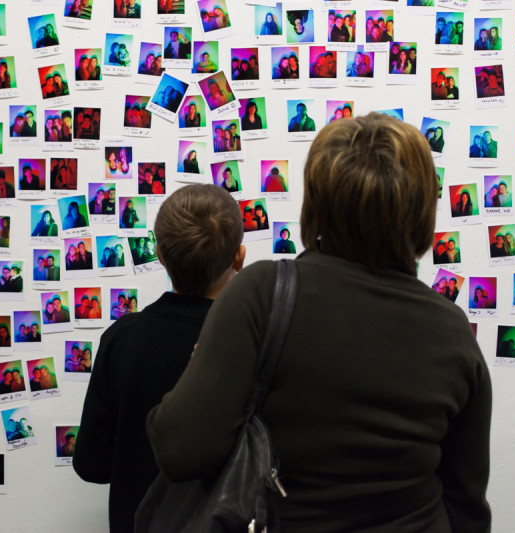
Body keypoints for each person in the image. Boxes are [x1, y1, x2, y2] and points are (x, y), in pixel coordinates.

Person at [144, 113, 491, 531]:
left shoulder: (263, 291)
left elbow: (181, 451)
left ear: (318, 202)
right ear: (421, 209)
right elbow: (467, 506)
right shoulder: (453, 329)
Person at [74, 184, 247, 533]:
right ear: (239, 258)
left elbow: (91, 463)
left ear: (159, 255)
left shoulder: (122, 338)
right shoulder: (250, 344)